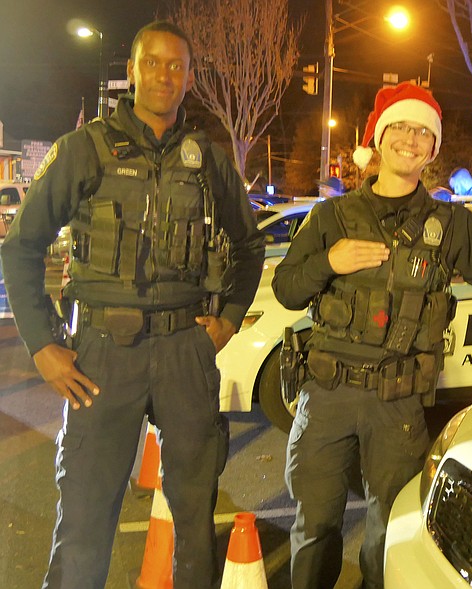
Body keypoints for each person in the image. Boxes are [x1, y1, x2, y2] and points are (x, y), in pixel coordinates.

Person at [272, 81, 472, 589]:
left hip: (397, 404)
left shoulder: (450, 226)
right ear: (378, 136)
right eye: (401, 127)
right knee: (315, 528)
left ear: (433, 149)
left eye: (424, 132)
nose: (412, 140)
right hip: (325, 396)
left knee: (387, 534)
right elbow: (286, 289)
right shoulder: (332, 216)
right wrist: (329, 261)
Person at [0, 21, 265, 589]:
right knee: (85, 519)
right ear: (133, 72)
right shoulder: (84, 149)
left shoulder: (209, 160)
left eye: (177, 66)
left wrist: (228, 319)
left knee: (195, 515)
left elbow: (248, 244)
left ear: (189, 78)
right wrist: (44, 344)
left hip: (186, 352)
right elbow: (21, 246)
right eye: (153, 63)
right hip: (100, 356)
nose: (165, 75)